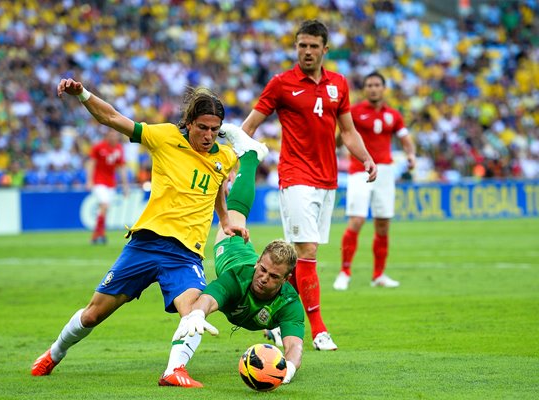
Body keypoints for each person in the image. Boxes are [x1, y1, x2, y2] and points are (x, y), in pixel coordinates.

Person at [31, 79, 266, 388]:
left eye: (214, 129)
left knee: (195, 312)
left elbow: (216, 189)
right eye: (202, 128)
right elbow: (113, 117)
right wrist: (83, 94)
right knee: (92, 315)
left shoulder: (223, 157)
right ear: (188, 123)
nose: (208, 135)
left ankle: (174, 371)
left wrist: (224, 221)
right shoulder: (165, 137)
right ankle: (53, 353)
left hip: (185, 255)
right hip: (146, 244)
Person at [239, 19, 378, 351]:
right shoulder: (281, 84)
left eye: (313, 46)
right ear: (296, 47)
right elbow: (250, 125)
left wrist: (366, 157)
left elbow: (347, 131)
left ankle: (272, 319)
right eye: (302, 45)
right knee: (308, 251)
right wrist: (237, 164)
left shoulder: (338, 85)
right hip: (295, 177)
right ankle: (317, 329)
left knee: (297, 261)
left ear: (325, 50)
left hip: (327, 179)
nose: (307, 51)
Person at [170, 127, 304, 385]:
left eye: (273, 276)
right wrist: (198, 314)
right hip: (232, 252)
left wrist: (288, 370)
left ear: (286, 279)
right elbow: (207, 300)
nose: (263, 278)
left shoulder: (290, 302)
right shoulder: (238, 278)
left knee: (235, 213)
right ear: (258, 263)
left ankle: (248, 156)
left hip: (263, 294)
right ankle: (250, 156)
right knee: (233, 217)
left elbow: (296, 346)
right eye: (262, 269)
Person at [334, 71, 416, 290]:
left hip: (386, 172)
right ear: (364, 89)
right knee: (357, 220)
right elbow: (340, 138)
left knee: (383, 224)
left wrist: (410, 155)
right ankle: (345, 271)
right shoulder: (354, 111)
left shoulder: (393, 115)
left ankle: (378, 275)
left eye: (376, 85)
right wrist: (338, 137)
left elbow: (406, 140)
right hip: (359, 170)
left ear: (383, 88)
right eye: (369, 85)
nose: (373, 88)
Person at [86, 129, 129, 244]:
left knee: (104, 209)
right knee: (104, 205)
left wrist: (125, 186)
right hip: (99, 182)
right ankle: (99, 234)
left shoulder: (119, 148)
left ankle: (97, 235)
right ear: (107, 136)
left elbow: (122, 168)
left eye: (115, 136)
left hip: (111, 184)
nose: (113, 138)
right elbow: (91, 163)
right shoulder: (98, 147)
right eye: (111, 135)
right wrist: (89, 180)